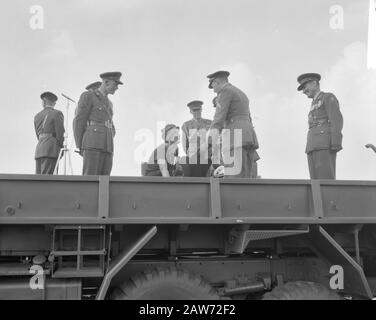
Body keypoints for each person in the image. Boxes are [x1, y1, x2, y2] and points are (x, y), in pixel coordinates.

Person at [203, 71, 259, 178]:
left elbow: (219, 117)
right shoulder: (241, 94)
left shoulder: (225, 91)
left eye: (213, 86)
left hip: (235, 136)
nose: (214, 90)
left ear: (217, 82)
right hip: (248, 136)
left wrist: (209, 140)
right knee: (246, 176)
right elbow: (249, 118)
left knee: (234, 176)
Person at [73, 72, 123, 176]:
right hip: (92, 144)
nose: (117, 88)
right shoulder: (88, 96)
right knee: (90, 181)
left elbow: (111, 125)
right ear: (106, 82)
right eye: (115, 84)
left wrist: (110, 135)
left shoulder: (109, 103)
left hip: (107, 146)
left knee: (105, 181)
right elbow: (79, 121)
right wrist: (80, 146)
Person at [297, 73, 343, 180]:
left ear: (314, 83)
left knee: (326, 181)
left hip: (325, 144)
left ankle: (330, 198)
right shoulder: (314, 103)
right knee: (315, 183)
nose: (303, 91)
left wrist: (336, 142)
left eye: (305, 87)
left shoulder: (328, 97)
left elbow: (336, 120)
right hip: (312, 146)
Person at [34, 92, 65, 174]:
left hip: (39, 150)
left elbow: (38, 135)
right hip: (51, 150)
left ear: (44, 102)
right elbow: (60, 134)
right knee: (49, 180)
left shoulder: (37, 116)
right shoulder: (57, 113)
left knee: (38, 180)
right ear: (54, 103)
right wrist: (61, 148)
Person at [181, 101, 212, 177]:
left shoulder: (210, 123)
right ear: (190, 111)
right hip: (193, 158)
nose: (197, 112)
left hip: (207, 157)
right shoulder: (186, 125)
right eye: (194, 110)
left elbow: (214, 140)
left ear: (201, 109)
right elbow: (185, 145)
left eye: (198, 109)